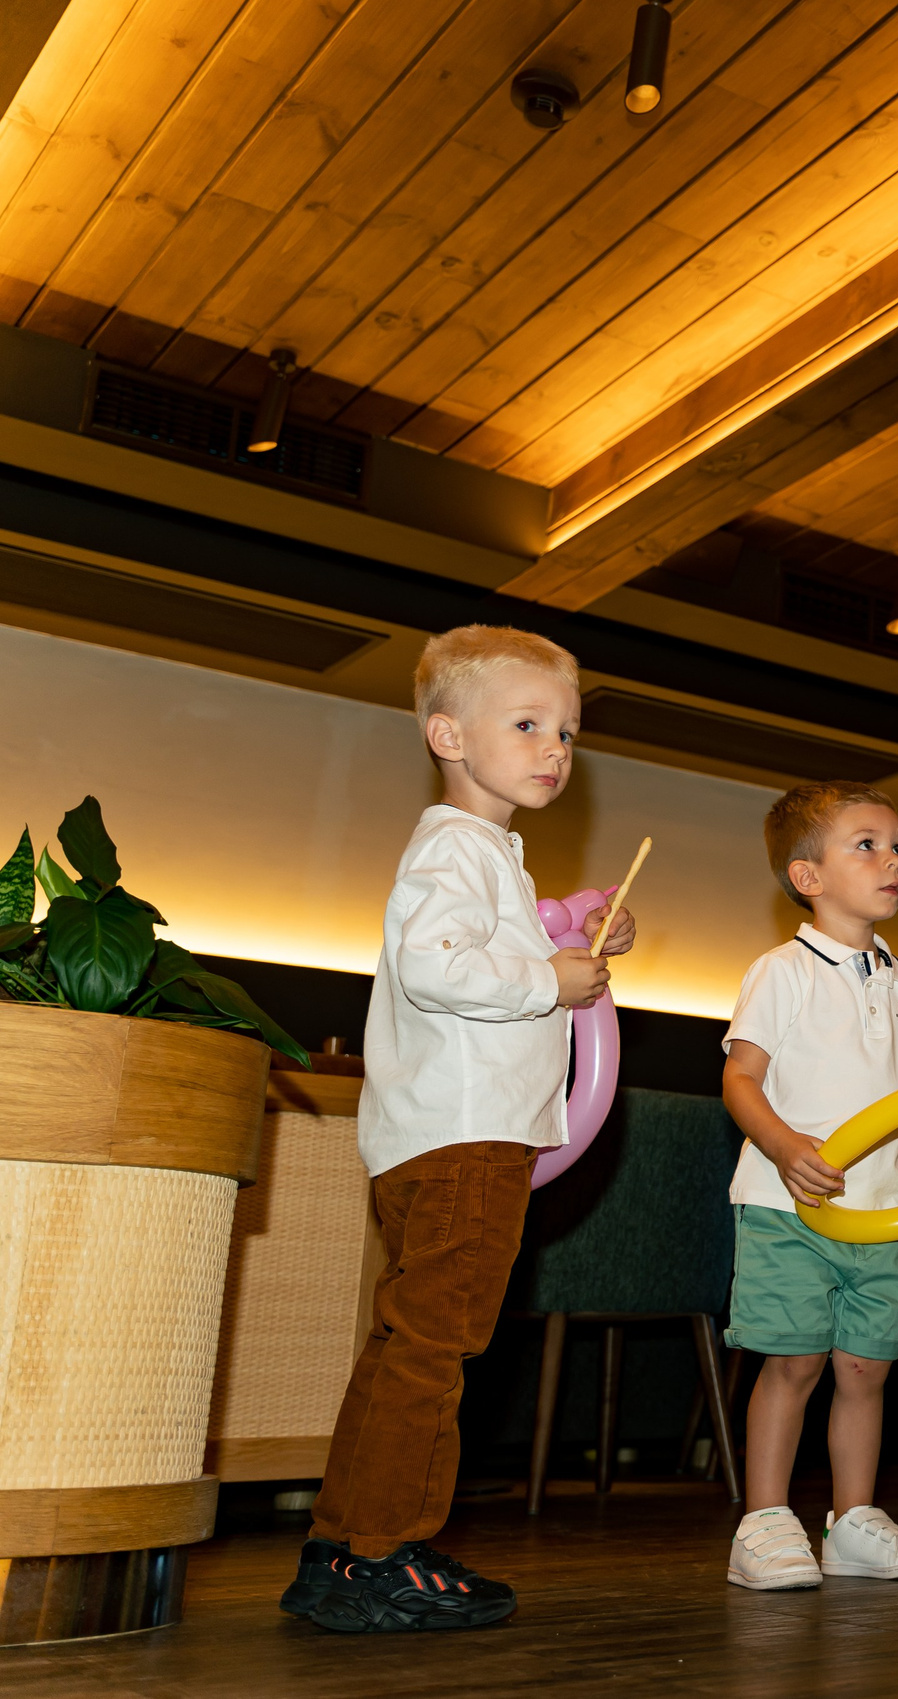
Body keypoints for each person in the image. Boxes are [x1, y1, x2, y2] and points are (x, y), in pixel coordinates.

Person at [284, 625, 634, 1633]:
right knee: (434, 1351)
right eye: (527, 724)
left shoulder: (484, 853)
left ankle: (350, 1545)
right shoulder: (456, 846)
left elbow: (479, 950)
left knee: (409, 1343)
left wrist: (572, 936)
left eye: (566, 731)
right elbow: (439, 966)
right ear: (447, 734)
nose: (554, 747)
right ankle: (379, 1552)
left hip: (447, 1135)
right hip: (466, 1137)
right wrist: (549, 978)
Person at [719, 782, 898, 1590]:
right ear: (809, 876)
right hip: (788, 1208)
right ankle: (764, 1523)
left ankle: (854, 1519)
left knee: (866, 1368)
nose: (891, 859)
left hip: (883, 1218)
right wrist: (783, 1144)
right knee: (794, 1362)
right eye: (866, 844)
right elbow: (740, 1078)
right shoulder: (781, 970)